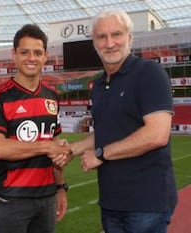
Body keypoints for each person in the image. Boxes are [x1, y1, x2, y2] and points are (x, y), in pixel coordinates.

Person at [69, 9, 178, 233]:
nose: (110, 43)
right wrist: (71, 149)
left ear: (130, 37)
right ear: (94, 43)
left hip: (146, 204)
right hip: (111, 202)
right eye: (102, 37)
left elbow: (157, 135)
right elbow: (107, 132)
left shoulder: (149, 73)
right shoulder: (99, 85)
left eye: (116, 34)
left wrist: (101, 154)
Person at [0, 24, 71, 233]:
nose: (32, 58)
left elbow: (55, 145)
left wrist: (60, 188)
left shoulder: (51, 96)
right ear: (14, 55)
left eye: (38, 52)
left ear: (46, 56)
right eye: (24, 52)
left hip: (47, 198)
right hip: (12, 199)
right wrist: (45, 147)